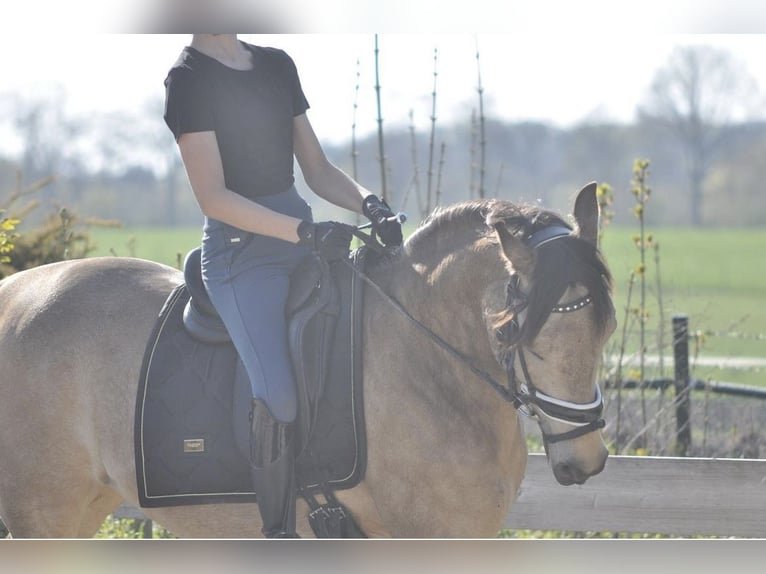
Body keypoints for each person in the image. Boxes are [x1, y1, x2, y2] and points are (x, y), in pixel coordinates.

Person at [163, 34, 402, 538]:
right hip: (242, 255)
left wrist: (370, 205)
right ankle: (278, 533)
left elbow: (316, 169)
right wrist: (303, 231)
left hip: (304, 241)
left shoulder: (275, 64)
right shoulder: (187, 80)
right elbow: (214, 197)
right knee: (278, 396)